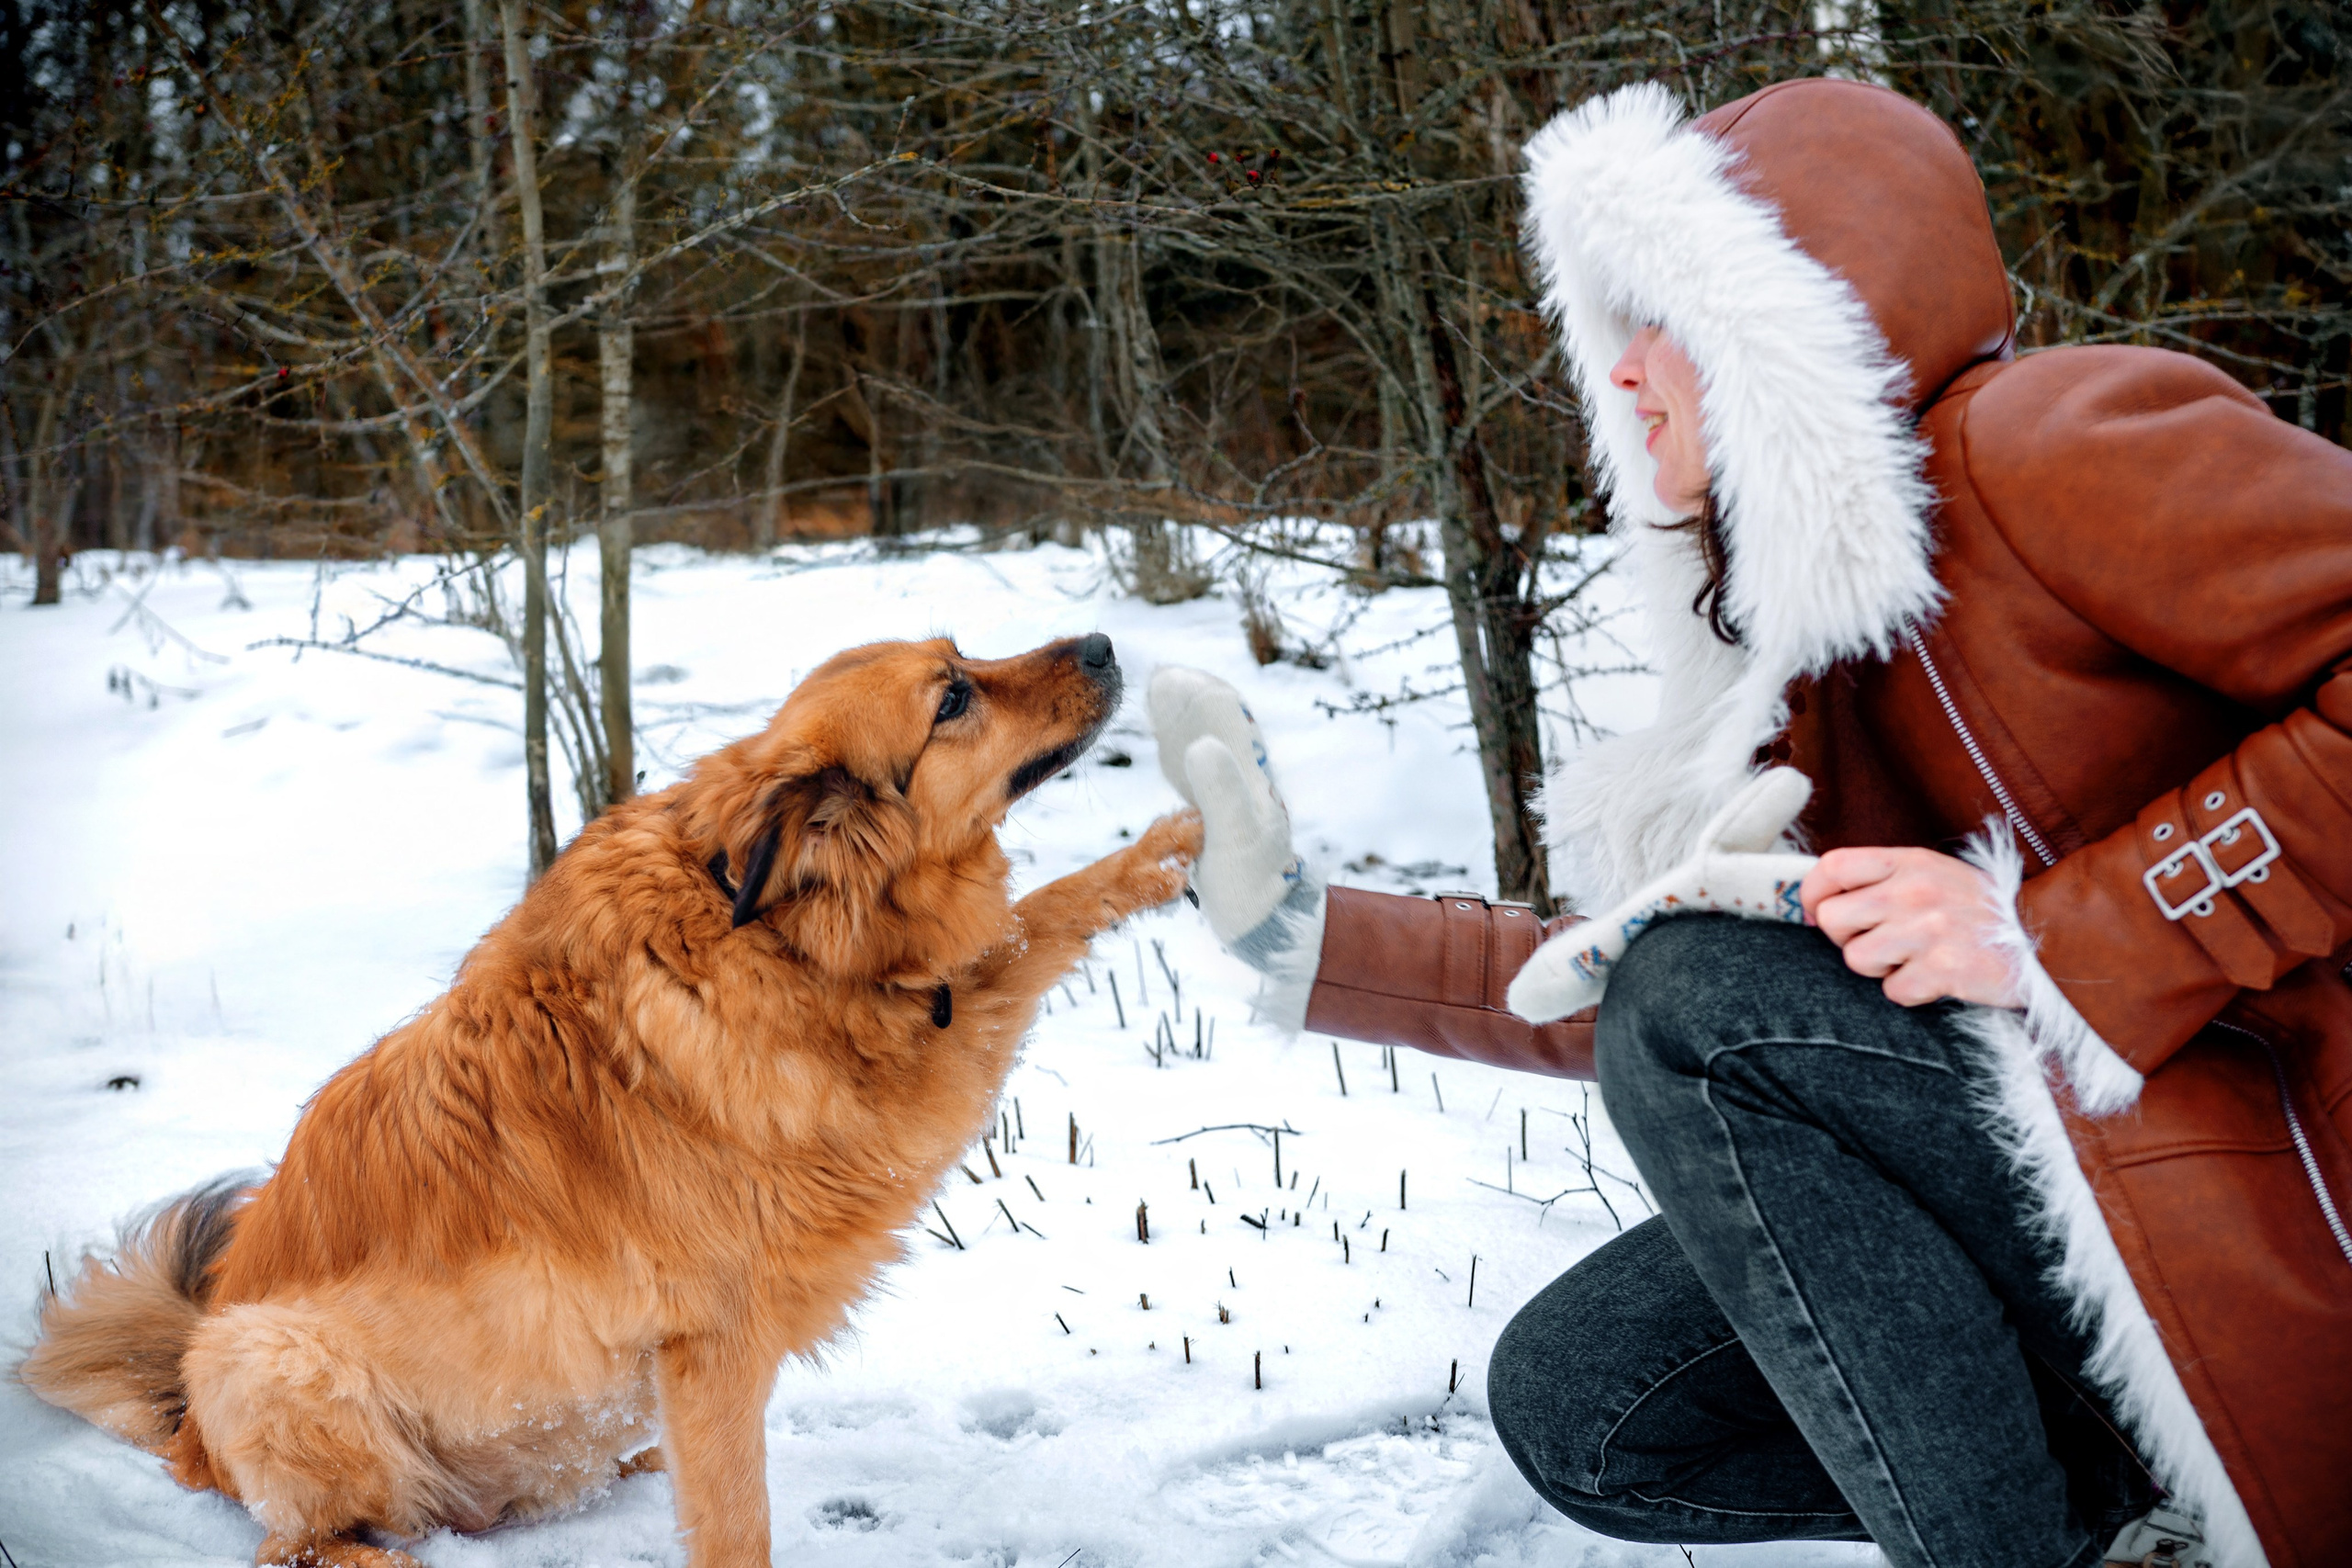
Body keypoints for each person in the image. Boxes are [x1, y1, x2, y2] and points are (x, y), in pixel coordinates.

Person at [1148, 77, 2352, 1568]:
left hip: (2284, 1187)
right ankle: (2118, 1509)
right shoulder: (1806, 662)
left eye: (1664, 321)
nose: (1624, 372)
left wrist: (2067, 933)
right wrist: (1300, 932)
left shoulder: (2047, 438)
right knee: (1589, 1402)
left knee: (1699, 1000)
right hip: (2080, 1186)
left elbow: (1713, 1006)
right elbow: (1715, 1021)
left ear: (1789, 327)